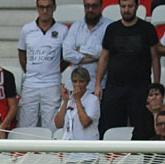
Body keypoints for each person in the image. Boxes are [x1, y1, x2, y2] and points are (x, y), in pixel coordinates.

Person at [95, 0, 160, 135]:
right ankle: (112, 156)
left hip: (140, 87)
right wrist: (98, 84)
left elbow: (155, 58)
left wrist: (156, 86)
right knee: (111, 128)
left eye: (130, 6)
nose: (126, 10)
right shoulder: (112, 29)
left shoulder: (147, 28)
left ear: (137, 6)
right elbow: (104, 57)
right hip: (114, 87)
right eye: (123, 6)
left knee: (141, 127)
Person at [17, 0, 68, 131]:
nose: (45, 11)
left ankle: (51, 152)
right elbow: (22, 54)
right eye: (42, 7)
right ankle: (27, 152)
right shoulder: (27, 29)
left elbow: (67, 56)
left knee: (52, 126)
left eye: (48, 7)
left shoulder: (63, 30)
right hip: (30, 84)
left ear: (54, 8)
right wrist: (30, 71)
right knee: (26, 125)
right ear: (37, 8)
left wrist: (54, 69)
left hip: (52, 84)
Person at [62, 0, 108, 95]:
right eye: (87, 6)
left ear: (101, 6)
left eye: (94, 6)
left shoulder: (109, 26)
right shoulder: (76, 27)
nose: (90, 9)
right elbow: (66, 54)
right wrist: (94, 58)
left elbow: (106, 52)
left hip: (98, 86)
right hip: (74, 86)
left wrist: (81, 49)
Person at [55, 67, 100, 142]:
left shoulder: (93, 100)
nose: (78, 85)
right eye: (75, 81)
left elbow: (85, 122)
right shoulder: (68, 99)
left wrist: (77, 100)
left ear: (87, 82)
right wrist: (65, 101)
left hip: (87, 146)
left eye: (81, 81)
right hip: (68, 145)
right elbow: (58, 124)